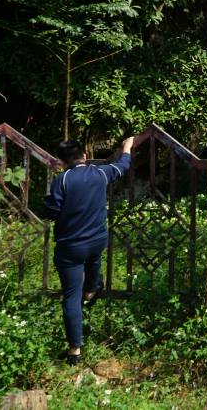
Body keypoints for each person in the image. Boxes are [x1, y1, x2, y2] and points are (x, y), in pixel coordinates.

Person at [45, 136, 134, 365]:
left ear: (61, 162)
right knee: (94, 260)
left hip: (71, 247)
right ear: (84, 156)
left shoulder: (62, 181)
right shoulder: (100, 173)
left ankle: (75, 350)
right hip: (97, 240)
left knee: (70, 297)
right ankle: (92, 288)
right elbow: (123, 166)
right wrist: (127, 148)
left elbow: (52, 211)